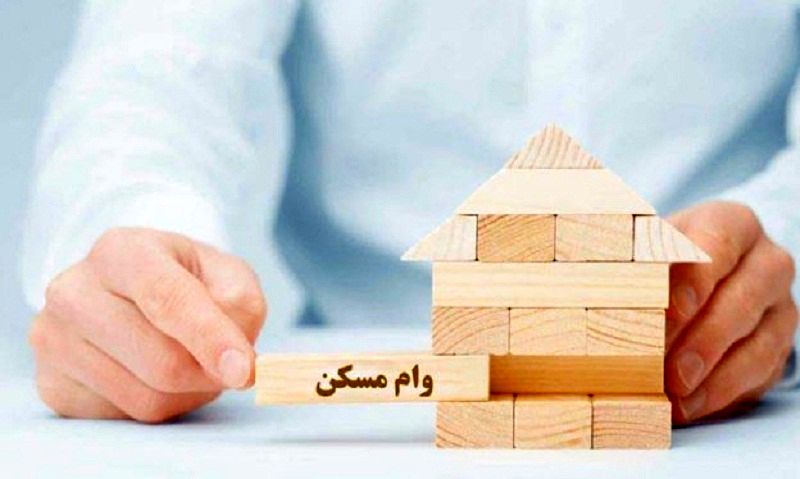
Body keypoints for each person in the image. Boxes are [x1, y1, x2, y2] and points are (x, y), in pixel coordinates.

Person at [23, 1, 798, 424]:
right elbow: (154, 70)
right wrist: (138, 251)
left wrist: (777, 248)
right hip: (349, 401)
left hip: (731, 399)